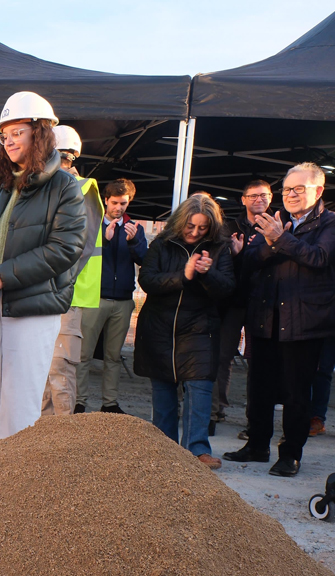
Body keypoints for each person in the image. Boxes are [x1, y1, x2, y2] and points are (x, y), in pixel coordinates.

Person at [0, 91, 86, 442]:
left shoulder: (65, 188)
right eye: (5, 134)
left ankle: (10, 486)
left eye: (18, 132)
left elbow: (66, 247)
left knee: (19, 405)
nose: (9, 141)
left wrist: (4, 276)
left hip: (33, 306)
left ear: (39, 133)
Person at [225, 163, 335, 476]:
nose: (291, 195)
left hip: (304, 321)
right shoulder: (275, 221)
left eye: (299, 189)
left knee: (296, 392)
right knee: (259, 386)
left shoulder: (329, 224)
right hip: (264, 315)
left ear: (317, 190)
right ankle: (257, 444)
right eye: (287, 189)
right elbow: (249, 258)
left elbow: (319, 258)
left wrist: (280, 240)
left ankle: (290, 454)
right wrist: (273, 242)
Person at [133, 194, 234, 470]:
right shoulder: (161, 244)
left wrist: (207, 273)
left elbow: (227, 288)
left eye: (202, 227)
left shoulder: (220, 248)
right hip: (160, 328)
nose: (195, 232)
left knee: (200, 389)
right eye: (191, 226)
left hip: (200, 328)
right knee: (163, 393)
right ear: (180, 221)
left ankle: (197, 450)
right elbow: (147, 280)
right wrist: (184, 275)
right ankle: (164, 449)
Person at [42, 125, 104, 416]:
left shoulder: (83, 190)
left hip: (67, 294)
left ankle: (61, 440)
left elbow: (79, 249)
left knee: (58, 368)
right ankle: (37, 438)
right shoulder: (49, 188)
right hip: (43, 292)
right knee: (40, 369)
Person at [76, 178, 146, 414]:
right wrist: (104, 241)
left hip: (124, 300)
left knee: (113, 356)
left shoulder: (135, 228)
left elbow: (145, 261)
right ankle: (79, 401)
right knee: (83, 354)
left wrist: (135, 241)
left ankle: (110, 403)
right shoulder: (92, 226)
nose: (119, 207)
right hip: (95, 298)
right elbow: (81, 258)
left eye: (123, 203)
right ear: (105, 201)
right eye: (114, 202)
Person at [211, 180, 269, 433]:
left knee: (260, 362)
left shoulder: (277, 226)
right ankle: (214, 411)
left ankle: (254, 420)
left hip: (265, 303)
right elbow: (217, 262)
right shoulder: (228, 228)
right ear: (243, 200)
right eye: (254, 196)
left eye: (264, 195)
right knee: (222, 356)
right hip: (233, 302)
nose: (259, 200)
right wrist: (235, 254)